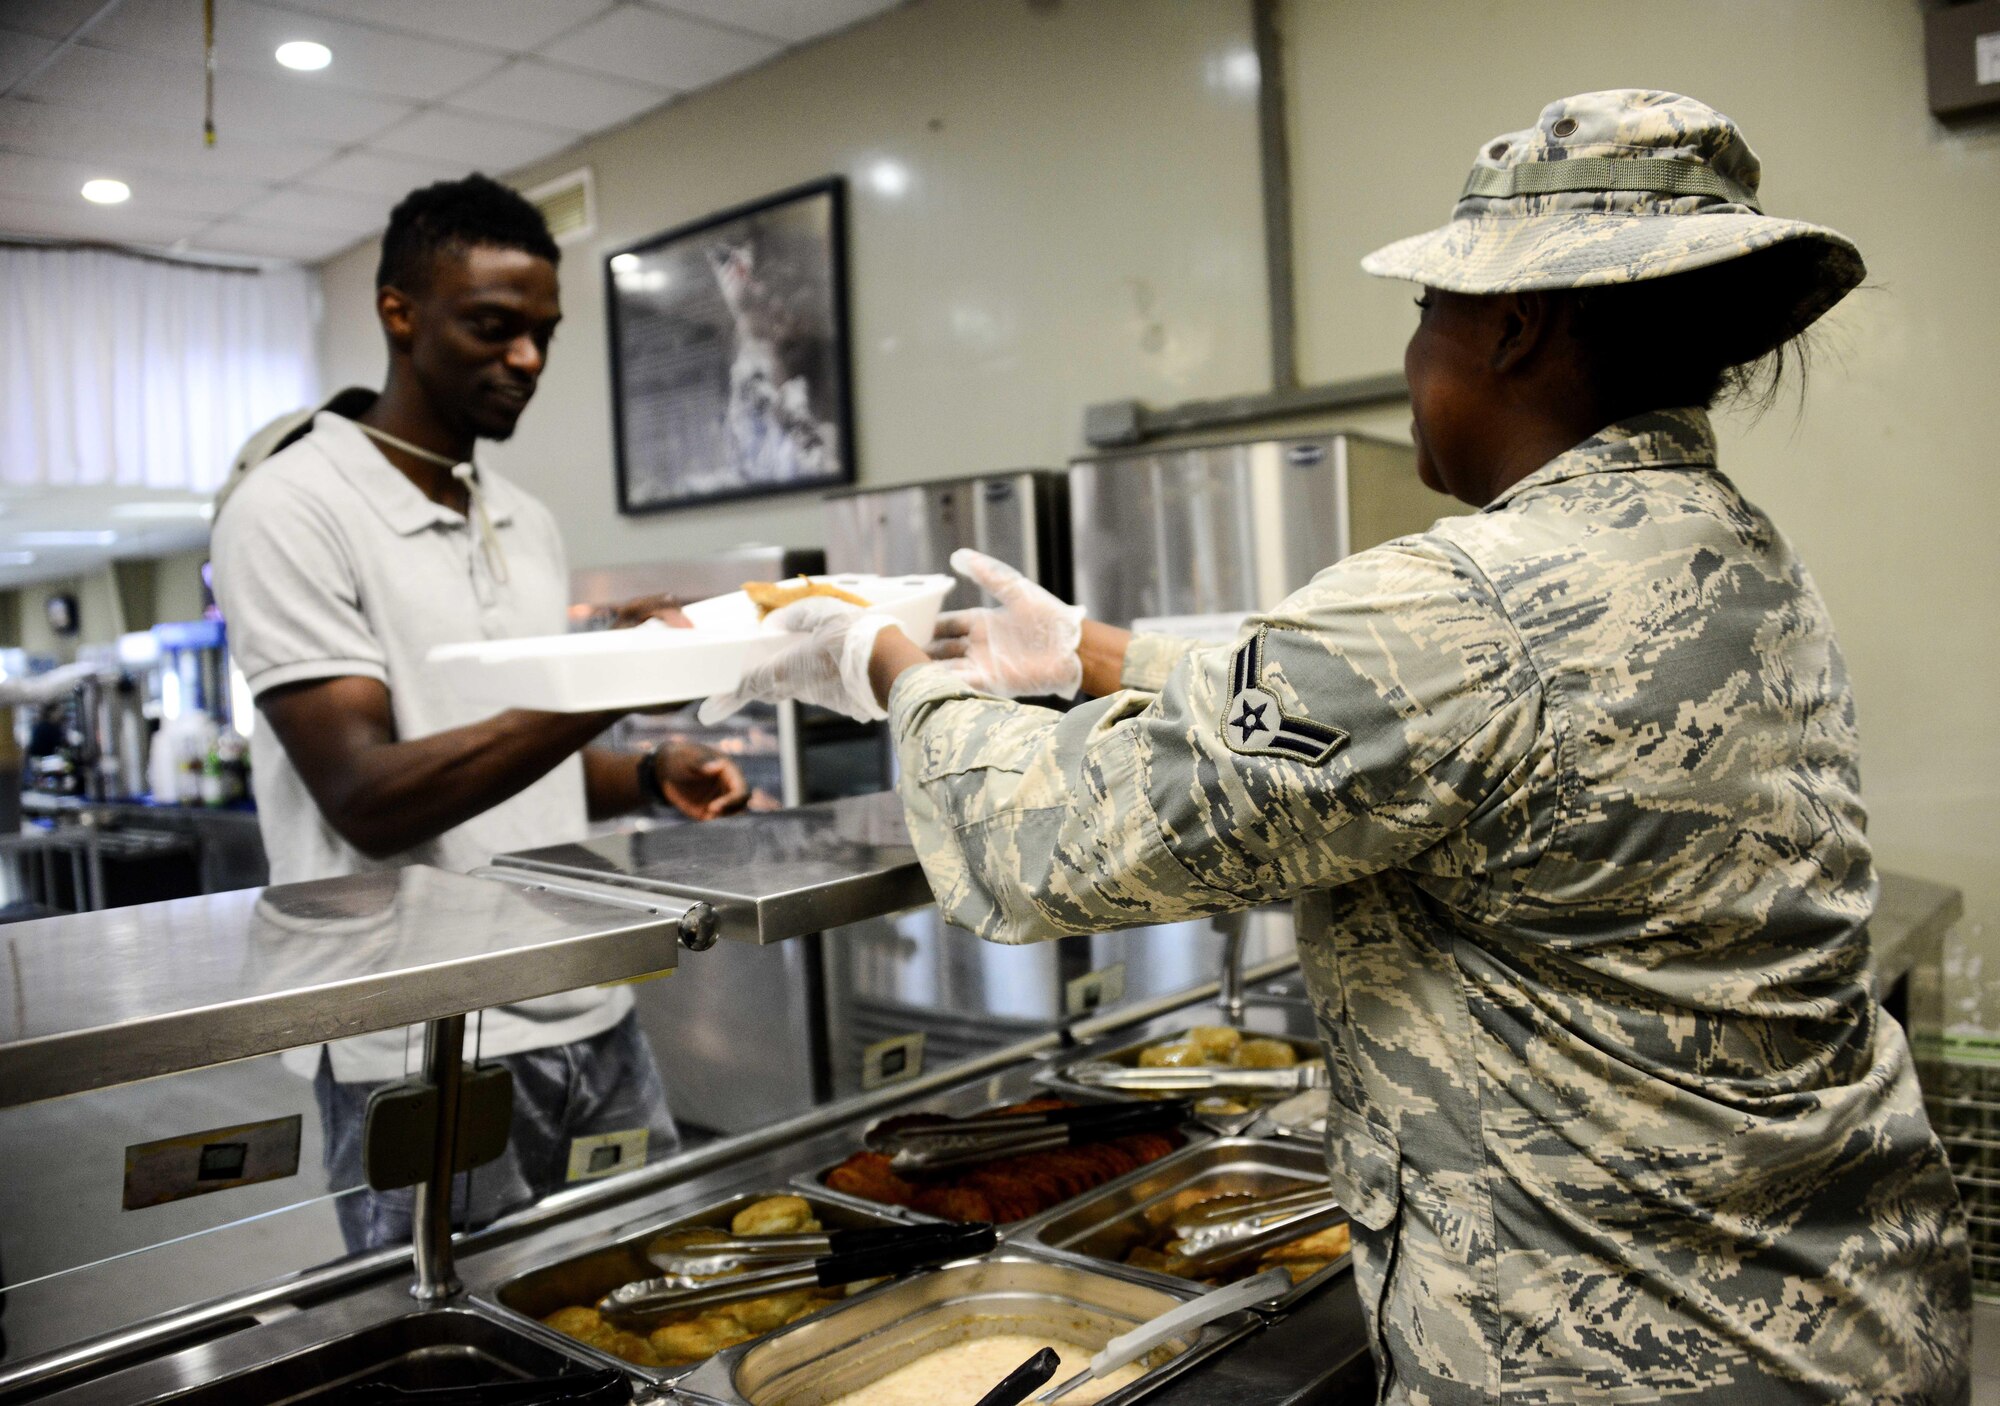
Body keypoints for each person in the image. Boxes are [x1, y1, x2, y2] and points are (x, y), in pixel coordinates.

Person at [702, 92, 1970, 1402]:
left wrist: (891, 665)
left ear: (1516, 322)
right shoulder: (1734, 554)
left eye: (1427, 315)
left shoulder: (1456, 599)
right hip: (1846, 1312)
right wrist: (1098, 653)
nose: (1416, 360)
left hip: (1624, 1360)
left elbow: (1038, 842)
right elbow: (1441, 731)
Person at [212, 174, 749, 1252]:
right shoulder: (290, 508)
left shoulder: (523, 517)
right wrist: (610, 676)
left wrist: (642, 772)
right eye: (493, 328)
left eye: (543, 334)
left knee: (638, 1293)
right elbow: (370, 796)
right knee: (467, 1356)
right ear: (398, 312)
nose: (529, 362)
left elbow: (504, 755)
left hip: (584, 1001)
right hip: (417, 1040)